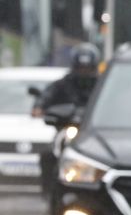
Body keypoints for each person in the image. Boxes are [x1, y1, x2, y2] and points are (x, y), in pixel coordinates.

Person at [33, 43, 101, 193]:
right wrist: (39, 107)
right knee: (48, 155)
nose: (84, 72)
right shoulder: (63, 84)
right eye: (81, 68)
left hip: (95, 133)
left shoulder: (101, 85)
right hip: (66, 128)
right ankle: (48, 192)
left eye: (87, 68)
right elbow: (47, 95)